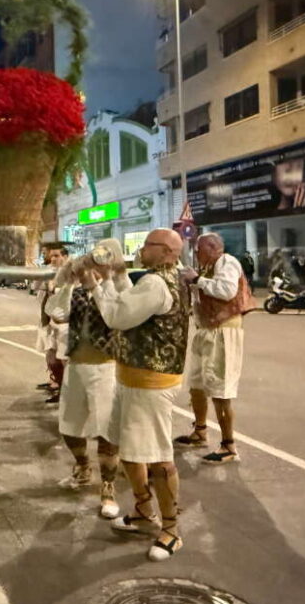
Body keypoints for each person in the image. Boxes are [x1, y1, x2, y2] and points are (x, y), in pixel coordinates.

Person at [91, 228, 190, 561]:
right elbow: (131, 300)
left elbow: (118, 315)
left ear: (166, 252)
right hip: (134, 378)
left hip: (150, 383)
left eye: (148, 245)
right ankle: (144, 510)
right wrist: (117, 277)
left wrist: (98, 284)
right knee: (131, 451)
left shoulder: (157, 283)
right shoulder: (158, 279)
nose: (141, 249)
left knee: (158, 455)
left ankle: (172, 530)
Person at [45, 239, 128, 519]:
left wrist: (100, 282)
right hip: (77, 366)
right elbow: (55, 313)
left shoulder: (118, 287)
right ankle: (82, 467)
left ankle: (108, 486)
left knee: (106, 430)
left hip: (106, 367)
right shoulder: (78, 289)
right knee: (69, 425)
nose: (96, 262)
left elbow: (116, 317)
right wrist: (69, 280)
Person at [175, 233, 254, 465]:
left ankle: (228, 445)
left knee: (220, 390)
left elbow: (226, 291)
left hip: (223, 331)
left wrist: (197, 279)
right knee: (197, 385)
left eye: (198, 248)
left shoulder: (226, 262)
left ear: (213, 247)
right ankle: (200, 431)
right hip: (205, 331)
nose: (195, 253)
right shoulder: (207, 267)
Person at [35, 244, 69, 405]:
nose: (53, 259)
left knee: (61, 360)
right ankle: (58, 385)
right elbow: (36, 290)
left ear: (65, 257)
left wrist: (53, 288)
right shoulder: (48, 272)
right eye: (51, 256)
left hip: (64, 324)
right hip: (49, 320)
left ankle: (64, 390)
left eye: (57, 256)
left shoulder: (70, 273)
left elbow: (68, 295)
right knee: (51, 358)